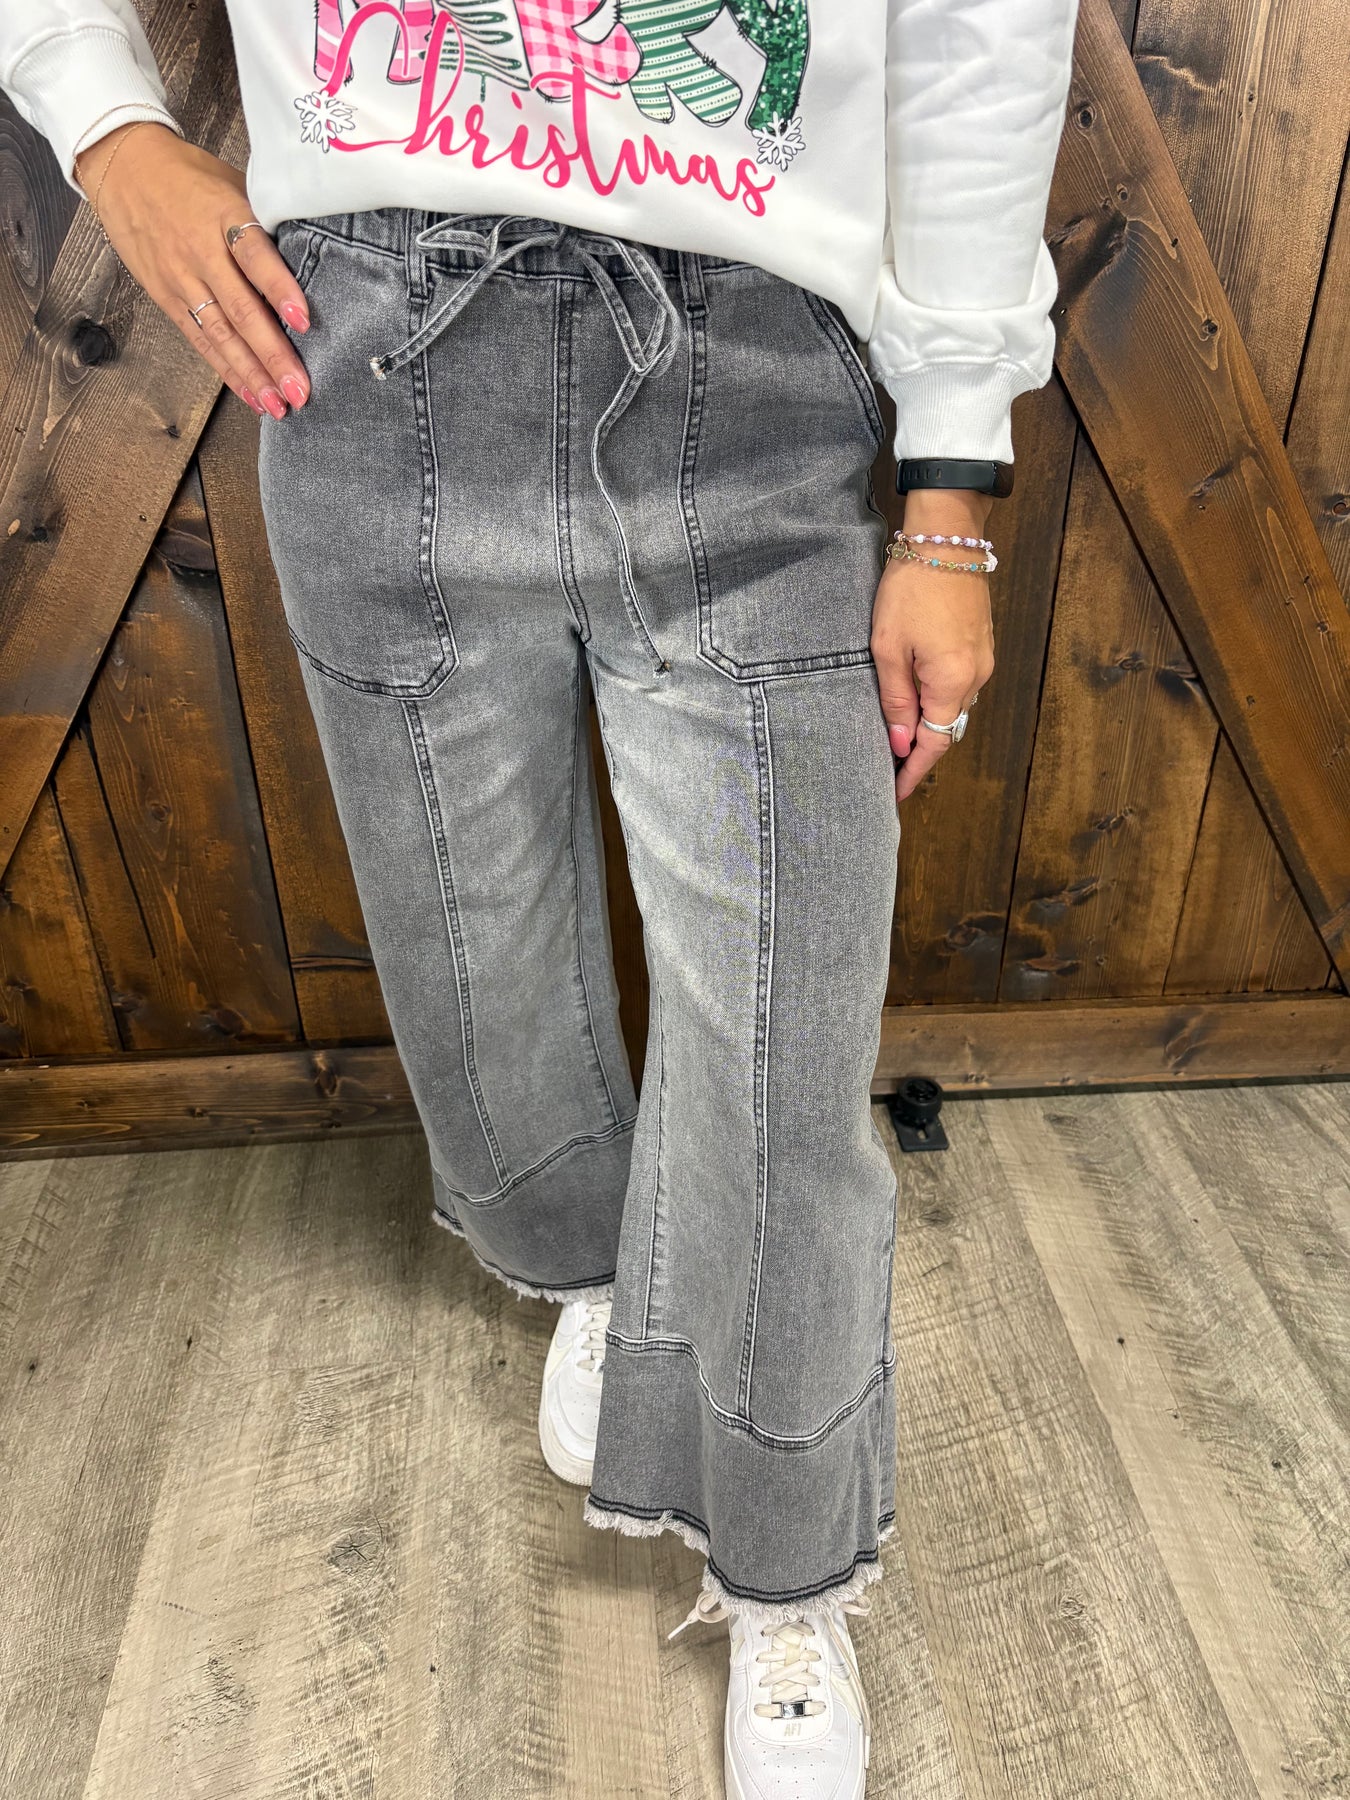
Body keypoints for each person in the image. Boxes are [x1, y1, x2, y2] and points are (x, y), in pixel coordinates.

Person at [2, 1, 1078, 1790]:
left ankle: (785, 1569)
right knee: (464, 937)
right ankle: (594, 1273)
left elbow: (983, 33)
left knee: (781, 1034)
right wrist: (107, 126)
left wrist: (950, 488)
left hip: (753, 377)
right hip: (366, 362)